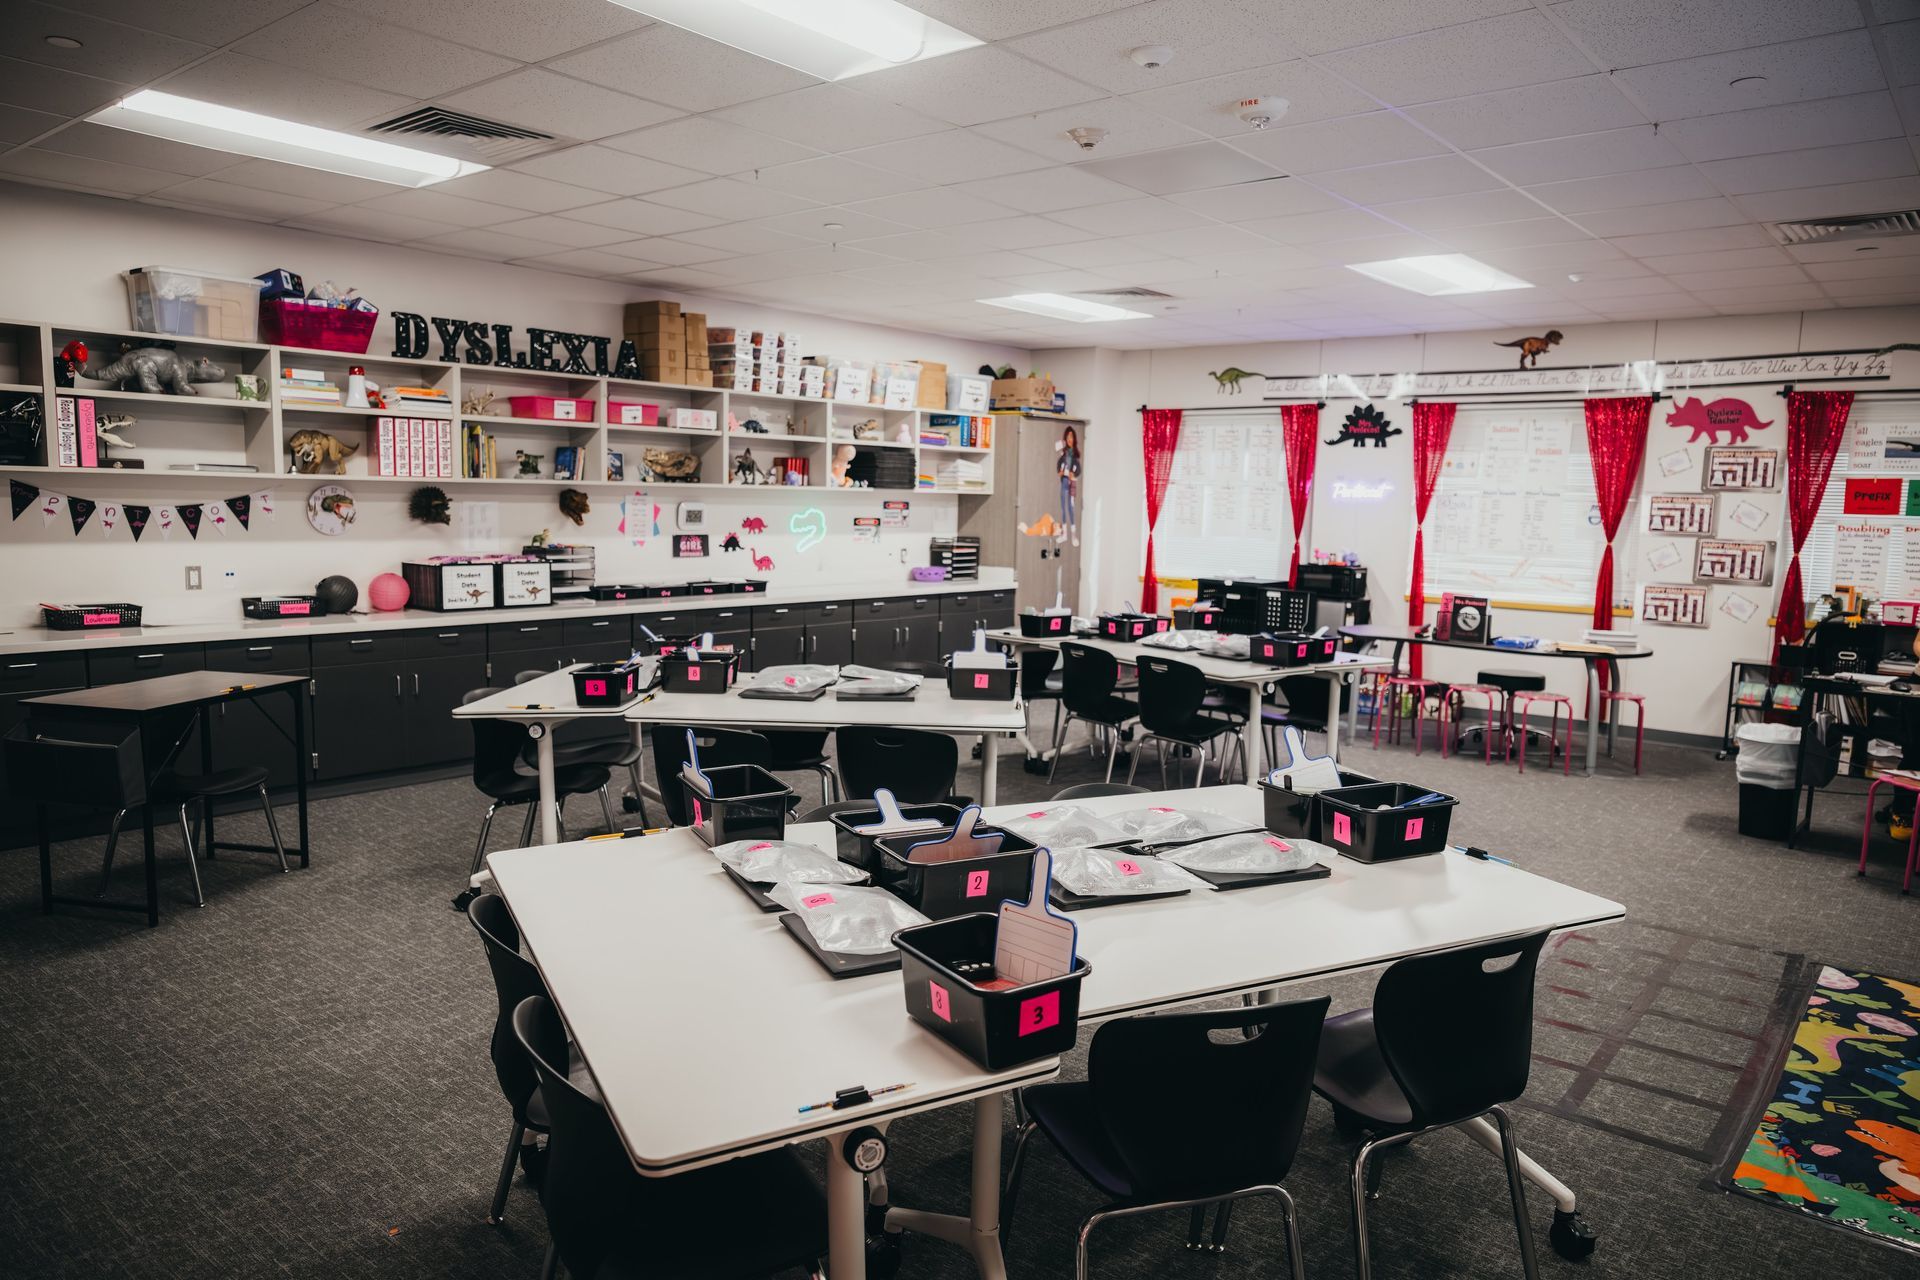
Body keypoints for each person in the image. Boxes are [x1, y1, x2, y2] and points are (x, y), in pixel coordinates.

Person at [1056, 425, 1081, 547]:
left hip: (1071, 483)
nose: (1070, 439)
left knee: (1070, 507)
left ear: (1074, 438)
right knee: (1063, 507)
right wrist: (1059, 471)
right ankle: (1064, 534)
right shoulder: (1064, 453)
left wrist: (1073, 473)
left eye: (1071, 437)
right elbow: (1059, 464)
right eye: (1068, 437)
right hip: (1064, 482)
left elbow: (1078, 469)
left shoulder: (1075, 455)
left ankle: (1073, 535)